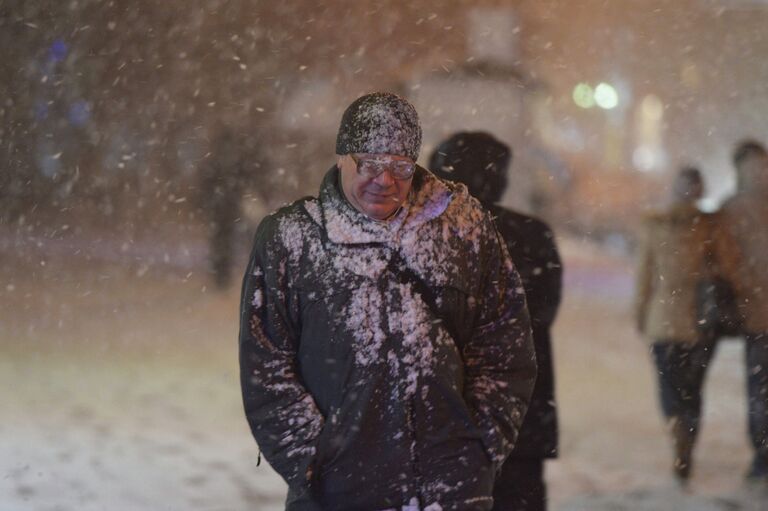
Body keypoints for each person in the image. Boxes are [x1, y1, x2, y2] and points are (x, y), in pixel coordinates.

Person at [239, 92, 537, 511]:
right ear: (342, 158)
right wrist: (311, 460)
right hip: (338, 493)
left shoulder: (465, 231)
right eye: (370, 164)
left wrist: (481, 449)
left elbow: (504, 347)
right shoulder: (291, 239)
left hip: (450, 489)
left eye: (400, 167)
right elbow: (266, 367)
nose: (385, 180)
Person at [430, 132, 562, 511]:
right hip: (521, 413)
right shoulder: (531, 235)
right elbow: (542, 315)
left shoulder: (425, 237)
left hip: (445, 418)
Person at [634, 167, 742, 484]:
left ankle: (678, 437)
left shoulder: (656, 225)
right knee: (692, 390)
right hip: (701, 321)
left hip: (664, 319)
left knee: (670, 388)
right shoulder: (711, 226)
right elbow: (730, 268)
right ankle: (686, 443)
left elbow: (645, 275)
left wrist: (640, 312)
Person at [719, 140, 768, 481]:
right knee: (760, 387)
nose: (759, 172)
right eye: (752, 166)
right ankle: (763, 453)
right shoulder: (731, 210)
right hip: (757, 314)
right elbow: (722, 263)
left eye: (762, 165)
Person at [198, 128, 250, 289]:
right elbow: (242, 183)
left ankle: (220, 274)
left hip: (220, 208)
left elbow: (205, 184)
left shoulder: (214, 162)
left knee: (220, 241)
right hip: (228, 208)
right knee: (225, 242)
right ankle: (222, 275)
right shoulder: (234, 162)